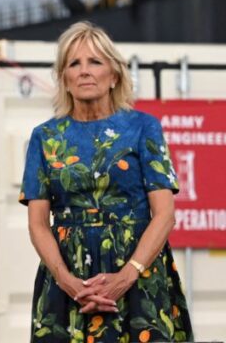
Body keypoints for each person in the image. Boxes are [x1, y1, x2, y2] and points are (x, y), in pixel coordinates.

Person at [19, 21, 192, 342]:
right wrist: (69, 282)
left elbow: (164, 214)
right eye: (74, 63)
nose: (84, 71)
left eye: (95, 62)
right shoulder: (45, 138)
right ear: (64, 79)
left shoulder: (144, 128)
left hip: (139, 276)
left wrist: (126, 277)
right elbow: (38, 224)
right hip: (66, 281)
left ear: (114, 76)